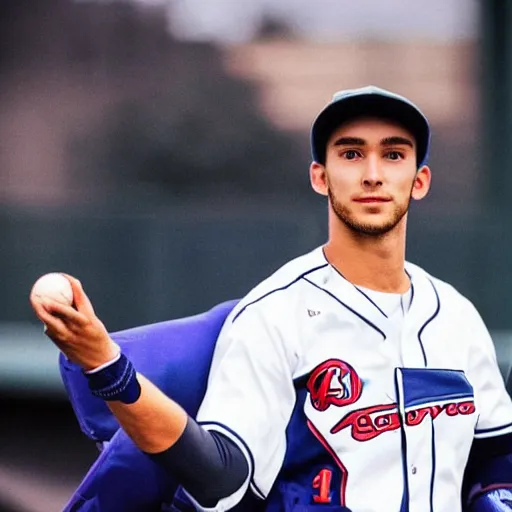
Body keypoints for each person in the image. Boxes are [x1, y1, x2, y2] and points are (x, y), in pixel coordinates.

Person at [31, 86, 512, 512]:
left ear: (420, 180)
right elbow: (222, 480)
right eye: (350, 154)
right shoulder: (275, 316)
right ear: (320, 177)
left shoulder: (457, 318)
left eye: (392, 155)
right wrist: (105, 364)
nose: (371, 174)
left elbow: (495, 456)